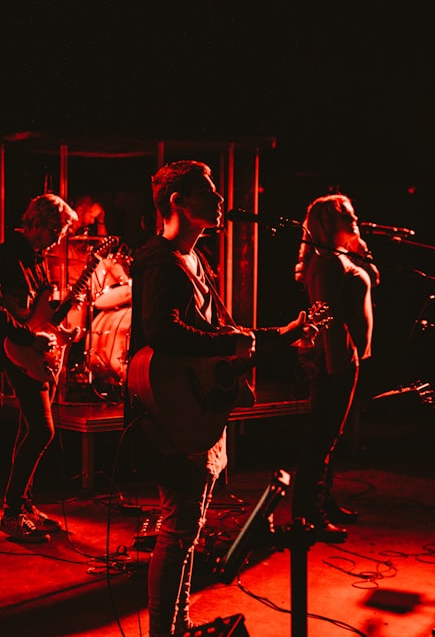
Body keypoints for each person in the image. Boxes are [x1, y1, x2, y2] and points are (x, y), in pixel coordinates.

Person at [127, 160, 316, 635]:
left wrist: (281, 334)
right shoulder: (160, 261)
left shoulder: (197, 261)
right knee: (177, 530)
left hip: (201, 409)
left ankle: (181, 622)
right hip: (170, 413)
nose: (219, 201)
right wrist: (225, 345)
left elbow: (226, 333)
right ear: (178, 202)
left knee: (188, 528)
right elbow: (163, 331)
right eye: (208, 192)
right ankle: (162, 632)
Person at [0, 193, 79, 543]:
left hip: (34, 349)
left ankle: (24, 504)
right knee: (43, 431)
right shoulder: (7, 256)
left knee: (30, 429)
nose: (58, 238)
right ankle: (12, 512)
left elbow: (39, 311)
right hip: (16, 351)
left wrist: (60, 331)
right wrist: (29, 338)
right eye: (55, 229)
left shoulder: (39, 260)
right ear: (37, 223)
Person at [292, 193, 377, 533]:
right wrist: (333, 367)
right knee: (322, 437)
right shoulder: (327, 262)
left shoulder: (339, 256)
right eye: (348, 215)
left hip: (343, 357)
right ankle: (310, 514)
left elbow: (373, 279)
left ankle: (322, 502)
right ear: (328, 223)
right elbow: (325, 317)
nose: (355, 219)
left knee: (330, 435)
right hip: (335, 360)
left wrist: (361, 252)